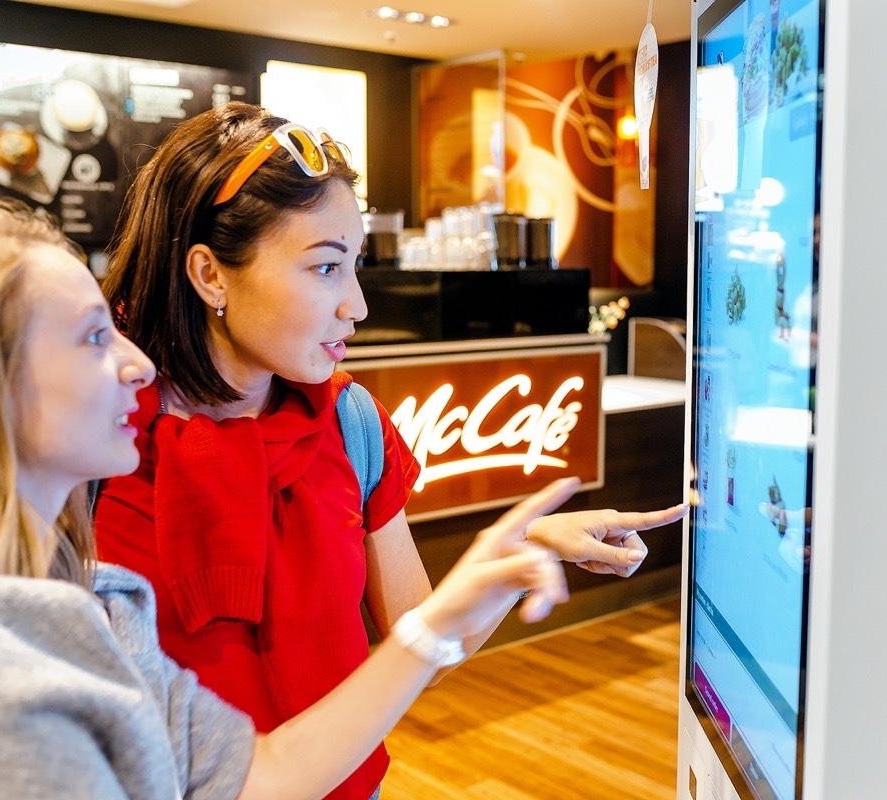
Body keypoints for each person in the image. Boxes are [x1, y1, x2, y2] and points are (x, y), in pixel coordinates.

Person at [94, 101, 686, 799]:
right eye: (324, 269)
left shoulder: (351, 422)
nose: (357, 305)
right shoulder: (96, 436)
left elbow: (422, 648)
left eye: (355, 267)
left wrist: (521, 555)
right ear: (210, 274)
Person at [0, 200, 579, 799]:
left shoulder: (99, 602)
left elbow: (253, 776)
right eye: (95, 337)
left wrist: (475, 593)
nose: (134, 364)